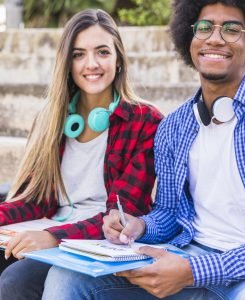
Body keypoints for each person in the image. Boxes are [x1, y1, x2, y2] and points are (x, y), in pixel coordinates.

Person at [35, 0, 245, 299]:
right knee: (68, 278)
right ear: (190, 42)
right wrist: (138, 226)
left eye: (231, 29)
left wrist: (195, 270)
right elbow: (169, 213)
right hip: (185, 257)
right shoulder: (174, 126)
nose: (214, 38)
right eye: (204, 28)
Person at [0, 8, 163, 299]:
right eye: (78, 55)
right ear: (67, 63)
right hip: (50, 228)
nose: (91, 64)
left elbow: (123, 214)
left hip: (98, 242)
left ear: (118, 59)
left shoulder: (145, 121)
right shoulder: (51, 120)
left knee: (16, 281)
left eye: (102, 52)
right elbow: (34, 200)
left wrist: (52, 237)